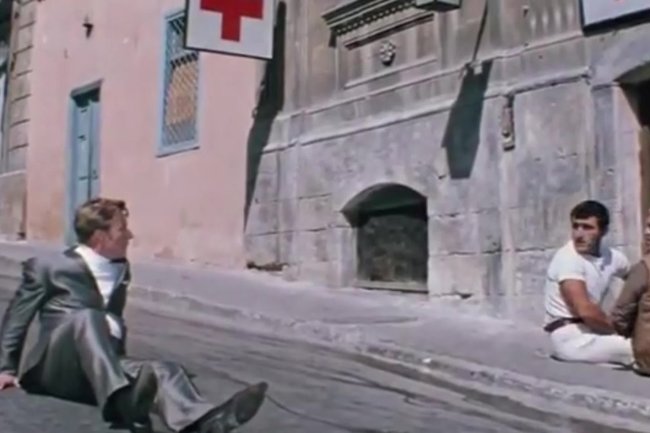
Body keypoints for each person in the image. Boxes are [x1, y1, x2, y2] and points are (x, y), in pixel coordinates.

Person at [0, 197, 267, 433]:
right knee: (88, 318)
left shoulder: (121, 268)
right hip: (55, 368)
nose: (130, 235)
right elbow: (17, 316)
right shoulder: (49, 267)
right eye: (122, 229)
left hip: (99, 368)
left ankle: (203, 422)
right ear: (101, 237)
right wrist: (5, 369)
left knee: (165, 370)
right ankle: (123, 402)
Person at [543, 200, 634, 365]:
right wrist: (619, 330)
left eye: (587, 227)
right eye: (576, 226)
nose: (579, 234)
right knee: (636, 347)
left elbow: (637, 279)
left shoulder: (612, 257)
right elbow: (586, 311)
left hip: (594, 332)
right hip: (570, 338)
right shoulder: (568, 259)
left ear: (603, 231)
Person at [611, 209, 650, 375]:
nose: (647, 233)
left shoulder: (643, 268)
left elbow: (620, 315)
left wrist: (629, 333)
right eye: (647, 226)